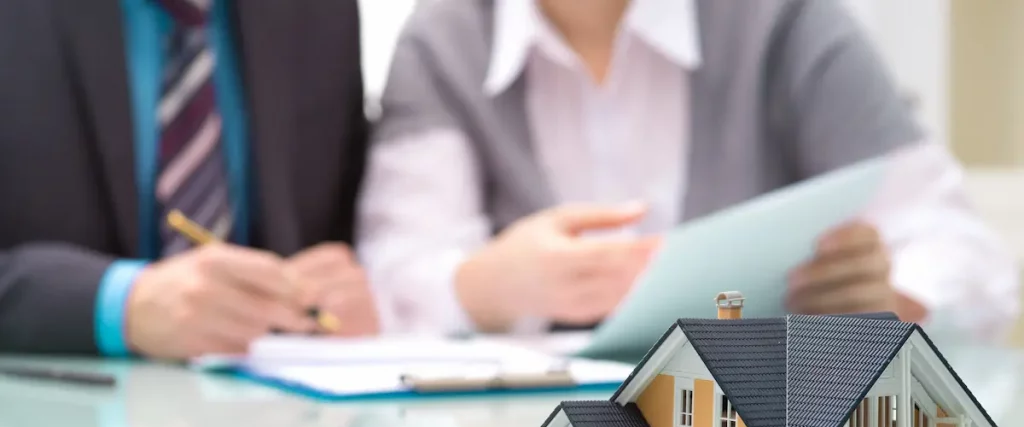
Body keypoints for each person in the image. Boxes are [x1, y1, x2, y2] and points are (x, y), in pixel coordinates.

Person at [358, 0, 1018, 341]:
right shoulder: (440, 41)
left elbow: (960, 250)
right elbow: (393, 273)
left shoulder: (785, 20)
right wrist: (486, 287)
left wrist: (892, 300)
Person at [0, 0, 379, 359]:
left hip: (268, 410)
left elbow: (346, 233)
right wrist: (122, 303)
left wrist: (344, 293)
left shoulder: (322, 15)